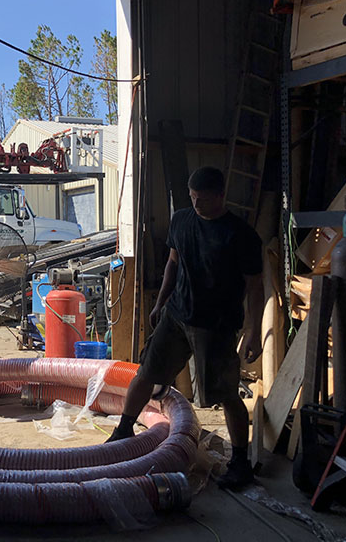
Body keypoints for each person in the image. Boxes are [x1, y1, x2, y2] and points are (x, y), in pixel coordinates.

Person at [106, 166, 263, 490]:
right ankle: (123, 430)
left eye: (202, 200)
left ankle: (240, 462)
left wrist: (253, 329)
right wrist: (161, 303)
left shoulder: (241, 235)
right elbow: (173, 263)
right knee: (145, 374)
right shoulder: (182, 220)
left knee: (226, 395)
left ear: (220, 196)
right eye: (192, 198)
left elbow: (255, 286)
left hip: (216, 327)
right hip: (176, 316)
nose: (196, 205)